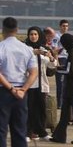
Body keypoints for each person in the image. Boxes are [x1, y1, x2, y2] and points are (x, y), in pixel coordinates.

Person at [0, 17, 38, 147]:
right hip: (21, 93)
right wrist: (23, 90)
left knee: (1, 131)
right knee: (20, 131)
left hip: (4, 92)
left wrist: (11, 89)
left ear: (3, 30)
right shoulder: (26, 49)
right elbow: (33, 73)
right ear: (16, 30)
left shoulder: (1, 48)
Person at [23, 26, 55, 141]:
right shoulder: (24, 48)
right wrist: (33, 52)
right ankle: (27, 132)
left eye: (35, 34)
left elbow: (52, 67)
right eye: (31, 34)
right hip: (29, 84)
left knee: (41, 109)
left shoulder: (45, 48)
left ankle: (41, 132)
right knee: (29, 108)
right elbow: (20, 61)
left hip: (42, 84)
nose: (33, 36)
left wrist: (51, 58)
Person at [53, 20, 70, 109]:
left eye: (66, 26)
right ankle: (59, 103)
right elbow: (55, 50)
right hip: (61, 59)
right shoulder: (56, 36)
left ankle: (65, 103)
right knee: (60, 83)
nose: (65, 27)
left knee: (67, 83)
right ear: (60, 26)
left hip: (68, 59)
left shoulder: (69, 36)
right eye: (63, 26)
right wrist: (57, 62)